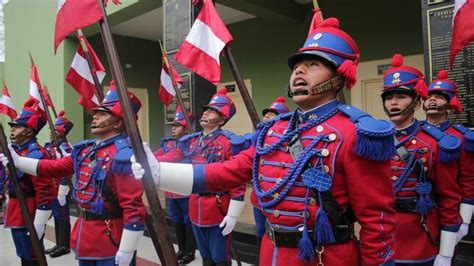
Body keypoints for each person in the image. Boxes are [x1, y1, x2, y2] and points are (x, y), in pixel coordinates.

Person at [133, 16, 398, 266]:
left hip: (324, 256)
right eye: (296, 66)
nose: (299, 71)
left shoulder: (356, 133)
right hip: (271, 252)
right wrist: (159, 172)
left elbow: (378, 223)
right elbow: (230, 171)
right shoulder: (275, 130)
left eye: (313, 64)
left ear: (340, 75)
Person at [2, 85, 146, 266]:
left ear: (117, 122)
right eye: (96, 113)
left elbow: (133, 208)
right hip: (85, 232)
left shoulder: (123, 154)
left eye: (102, 114)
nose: (95, 116)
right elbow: (54, 167)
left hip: (110, 236)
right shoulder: (86, 149)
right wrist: (18, 161)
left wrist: (127, 247)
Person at [381, 55, 462, 265]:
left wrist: (445, 253)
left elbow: (449, 197)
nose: (394, 102)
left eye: (401, 97)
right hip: (384, 237)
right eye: (389, 97)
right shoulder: (374, 140)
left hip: (422, 237)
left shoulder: (436, 142)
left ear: (417, 103)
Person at [155, 88, 247, 266]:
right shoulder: (193, 141)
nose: (206, 113)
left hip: (217, 208)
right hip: (195, 206)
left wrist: (233, 214)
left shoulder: (228, 143)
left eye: (212, 111)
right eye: (206, 110)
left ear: (222, 120)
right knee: (205, 257)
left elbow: (237, 179)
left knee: (220, 258)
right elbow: (172, 157)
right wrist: (148, 161)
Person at [4, 99, 56, 266]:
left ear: (28, 131)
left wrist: (40, 220)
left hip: (29, 208)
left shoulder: (35, 153)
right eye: (12, 126)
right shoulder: (16, 150)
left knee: (33, 254)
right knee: (23, 253)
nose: (12, 129)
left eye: (17, 126)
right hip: (16, 208)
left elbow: (45, 189)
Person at [424, 70, 474, 244]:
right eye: (429, 96)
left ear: (450, 103)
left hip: (449, 211)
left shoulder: (461, 137)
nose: (432, 100)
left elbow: (468, 180)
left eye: (439, 97)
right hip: (420, 210)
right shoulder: (415, 133)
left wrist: (464, 221)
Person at [154, 105, 196, 264]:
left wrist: (153, 160)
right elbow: (157, 154)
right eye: (173, 125)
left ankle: (190, 252)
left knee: (187, 220)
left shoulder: (189, 143)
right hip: (170, 189)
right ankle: (181, 249)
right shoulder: (167, 143)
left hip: (184, 188)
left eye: (177, 126)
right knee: (176, 219)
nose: (173, 129)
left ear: (186, 128)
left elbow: (173, 156)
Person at [249, 96, 291, 248]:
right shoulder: (256, 138)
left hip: (277, 196)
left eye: (272, 113)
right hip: (259, 196)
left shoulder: (289, 138)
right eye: (266, 113)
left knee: (276, 234)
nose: (266, 115)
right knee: (261, 232)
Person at [43, 110, 74, 258]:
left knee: (62, 216)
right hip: (52, 187)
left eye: (54, 130)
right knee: (56, 215)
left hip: (62, 188)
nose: (51, 132)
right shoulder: (50, 146)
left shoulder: (66, 148)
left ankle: (64, 245)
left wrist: (63, 189)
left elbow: (68, 170)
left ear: (62, 132)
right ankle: (58, 243)